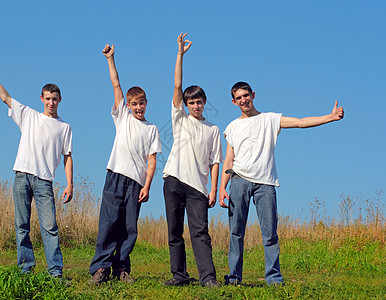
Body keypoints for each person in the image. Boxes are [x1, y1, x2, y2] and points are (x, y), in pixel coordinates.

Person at [219, 81, 344, 285]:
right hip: (238, 181)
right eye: (239, 98)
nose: (244, 100)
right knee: (236, 232)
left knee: (269, 233)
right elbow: (228, 160)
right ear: (234, 102)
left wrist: (329, 118)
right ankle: (233, 278)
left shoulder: (270, 119)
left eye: (246, 95)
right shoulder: (232, 127)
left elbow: (300, 122)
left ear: (253, 95)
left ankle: (274, 278)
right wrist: (222, 188)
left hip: (265, 183)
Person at [0, 59, 73, 278]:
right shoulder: (29, 116)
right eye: (48, 99)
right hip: (22, 175)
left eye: (55, 99)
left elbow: (68, 156)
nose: (51, 103)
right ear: (41, 99)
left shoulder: (64, 127)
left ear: (60, 100)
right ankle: (25, 269)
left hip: (44, 181)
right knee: (21, 224)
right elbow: (5, 97)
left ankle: (55, 273)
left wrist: (70, 184)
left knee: (49, 227)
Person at [89, 44, 162, 284]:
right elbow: (116, 84)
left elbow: (152, 160)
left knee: (129, 227)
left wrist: (147, 186)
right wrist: (111, 59)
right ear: (128, 106)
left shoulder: (152, 129)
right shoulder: (122, 117)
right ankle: (101, 268)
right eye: (134, 104)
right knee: (109, 222)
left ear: (146, 103)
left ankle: (122, 269)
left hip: (136, 182)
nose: (138, 107)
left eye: (141, 103)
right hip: (115, 176)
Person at [162, 33, 223, 287]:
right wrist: (180, 55)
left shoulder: (213, 129)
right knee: (175, 231)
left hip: (198, 187)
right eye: (191, 102)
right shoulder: (180, 120)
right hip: (174, 179)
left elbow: (216, 161)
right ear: (185, 105)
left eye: (199, 102)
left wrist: (214, 189)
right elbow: (177, 86)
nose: (195, 106)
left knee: (200, 233)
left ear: (204, 103)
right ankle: (179, 275)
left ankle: (208, 278)